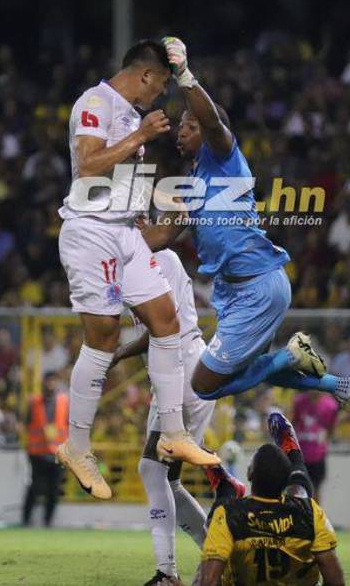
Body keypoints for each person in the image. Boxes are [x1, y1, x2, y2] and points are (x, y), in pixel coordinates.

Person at [139, 36, 350, 430]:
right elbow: (160, 238)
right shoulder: (191, 182)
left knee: (205, 385)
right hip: (235, 292)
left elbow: (212, 121)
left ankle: (291, 355)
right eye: (181, 125)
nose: (181, 131)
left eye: (189, 125)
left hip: (258, 287)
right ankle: (345, 387)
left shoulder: (225, 155)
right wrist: (120, 236)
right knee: (259, 369)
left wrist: (182, 74)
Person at [56, 39, 216, 502]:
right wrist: (141, 136)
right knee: (103, 339)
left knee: (167, 321)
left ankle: (173, 433)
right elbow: (87, 166)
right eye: (162, 84)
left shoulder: (129, 112)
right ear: (144, 75)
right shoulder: (95, 102)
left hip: (124, 232)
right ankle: (78, 446)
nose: (162, 95)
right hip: (91, 233)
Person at [109, 248, 214, 586]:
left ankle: (167, 573)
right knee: (166, 479)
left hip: (182, 371)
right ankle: (217, 554)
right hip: (168, 376)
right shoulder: (130, 267)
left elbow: (164, 324)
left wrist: (121, 350)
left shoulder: (162, 259)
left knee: (152, 469)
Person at [199, 414, 345, 586]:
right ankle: (293, 453)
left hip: (233, 522)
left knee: (218, 517)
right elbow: (336, 581)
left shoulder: (229, 514)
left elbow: (209, 581)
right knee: (300, 495)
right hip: (299, 515)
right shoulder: (311, 512)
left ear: (250, 475)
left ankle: (226, 487)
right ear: (286, 480)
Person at [22, 372, 67, 528]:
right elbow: (27, 424)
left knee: (54, 492)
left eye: (53, 381)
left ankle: (48, 523)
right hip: (38, 454)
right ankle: (26, 521)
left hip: (57, 454)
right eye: (48, 381)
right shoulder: (34, 402)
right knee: (35, 489)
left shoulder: (64, 402)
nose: (50, 384)